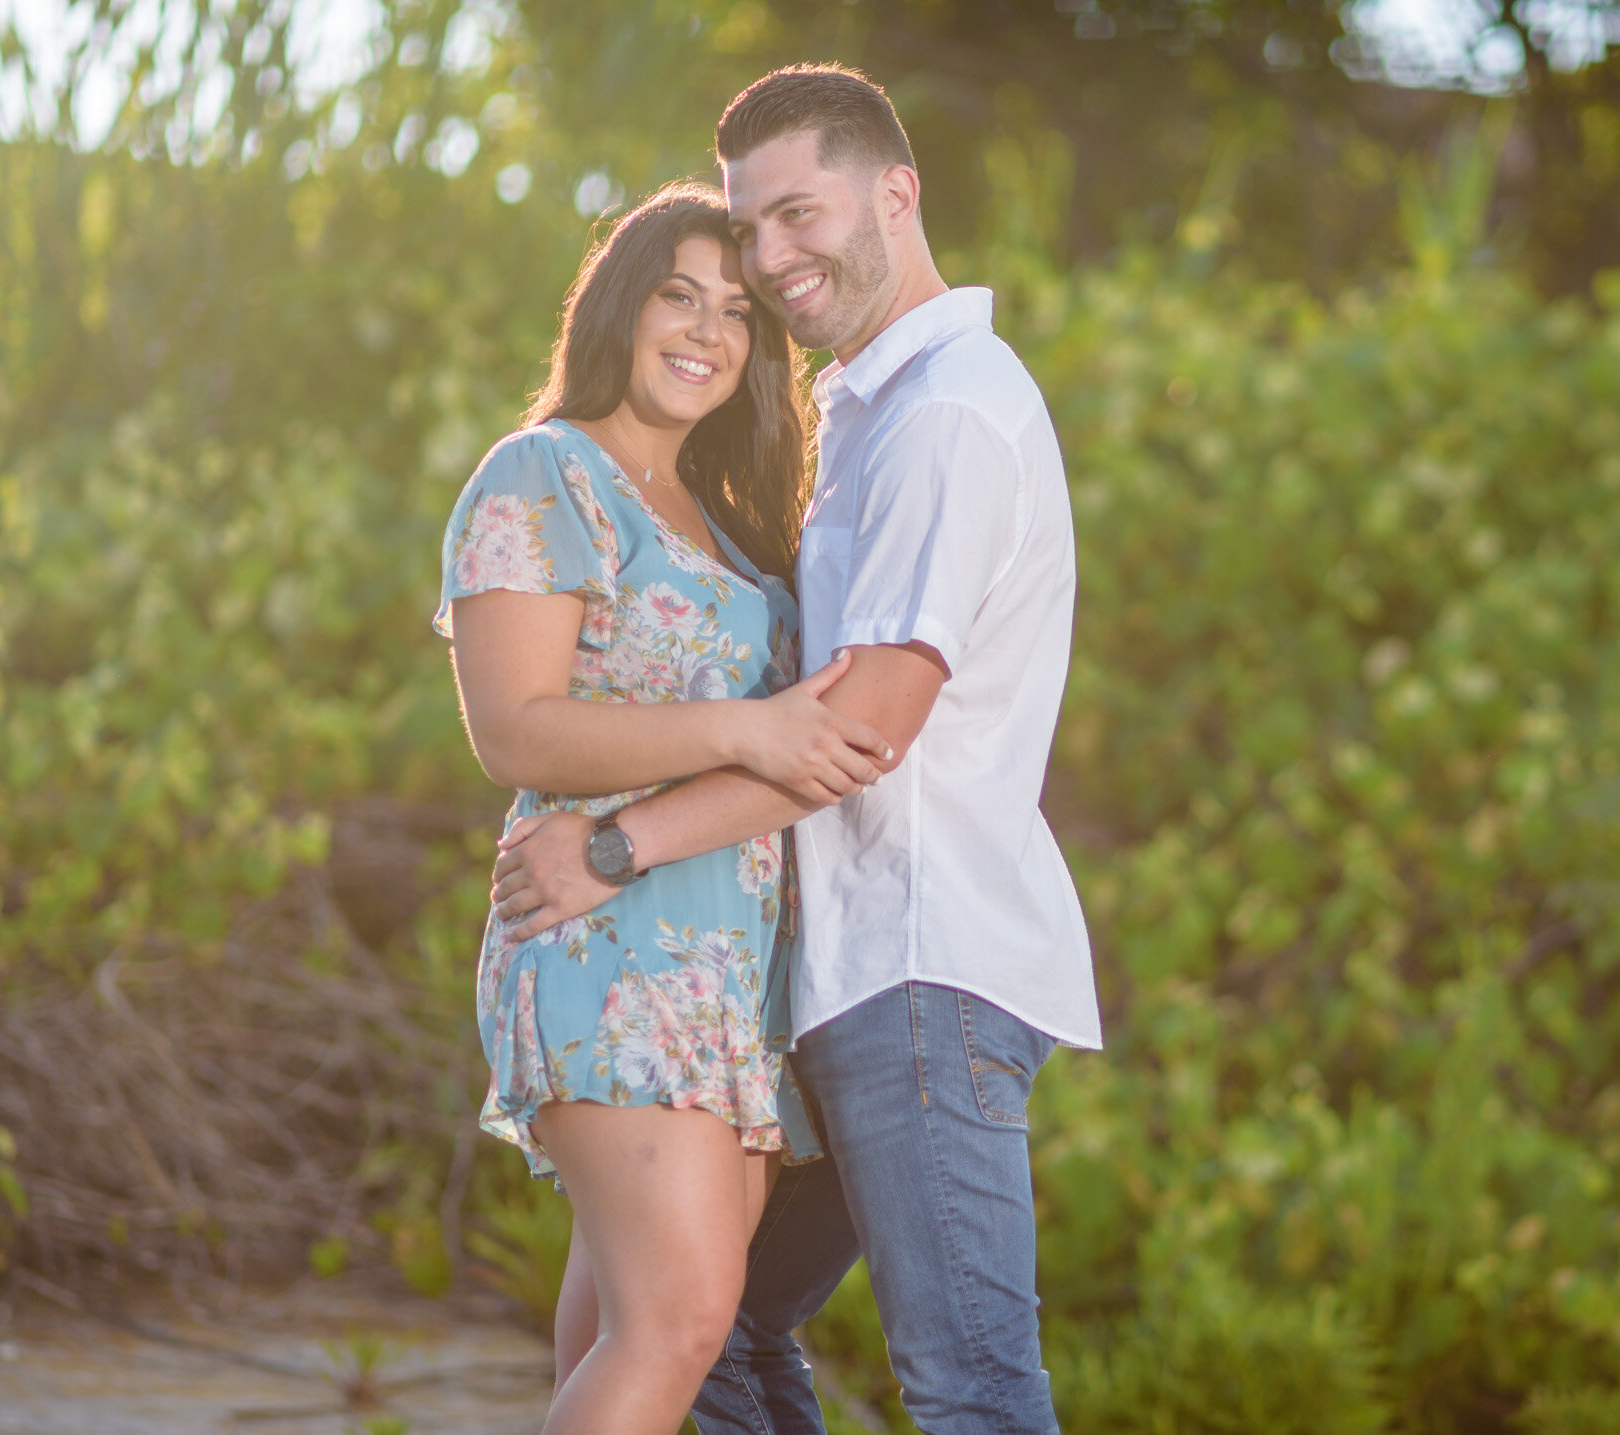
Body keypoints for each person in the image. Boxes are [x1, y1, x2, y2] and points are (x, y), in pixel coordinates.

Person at [493, 66, 1102, 1434]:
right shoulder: (867, 411)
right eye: (746, 227)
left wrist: (612, 843)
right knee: (708, 1328)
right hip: (825, 976)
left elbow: (865, 723)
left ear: (897, 193)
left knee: (969, 1385)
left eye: (796, 214)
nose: (769, 260)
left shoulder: (946, 411)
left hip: (918, 966)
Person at [438, 180, 894, 1435]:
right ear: (617, 307)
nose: (705, 330)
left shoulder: (727, 517)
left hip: (726, 978)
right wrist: (749, 725)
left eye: (738, 311)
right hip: (607, 936)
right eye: (677, 295)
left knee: (621, 1334)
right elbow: (512, 727)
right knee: (685, 1320)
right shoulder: (543, 473)